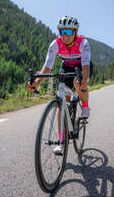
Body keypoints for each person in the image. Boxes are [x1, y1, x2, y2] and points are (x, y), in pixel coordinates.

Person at [27, 15, 91, 154]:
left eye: (69, 32)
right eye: (62, 32)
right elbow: (47, 68)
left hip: (81, 66)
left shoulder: (83, 43)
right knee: (62, 102)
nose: (65, 36)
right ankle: (61, 142)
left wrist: (83, 80)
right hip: (66, 66)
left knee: (79, 84)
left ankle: (85, 106)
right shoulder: (55, 44)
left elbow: (86, 66)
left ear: (75, 32)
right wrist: (36, 83)